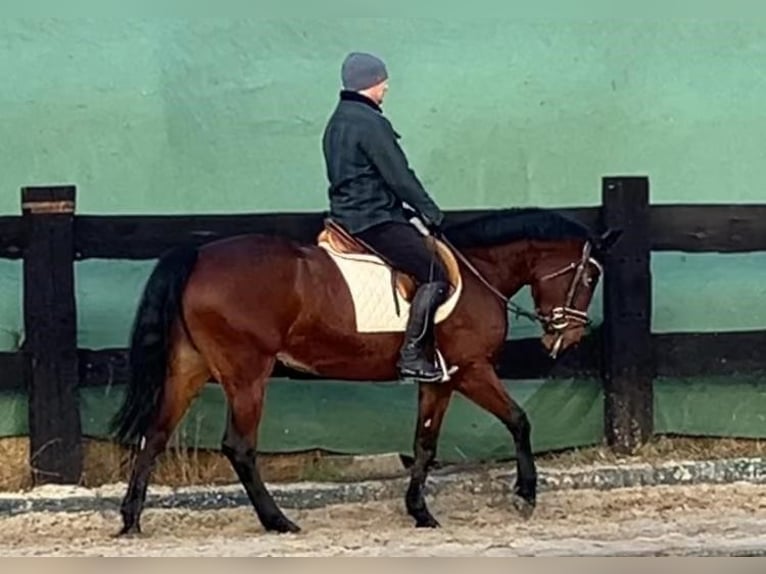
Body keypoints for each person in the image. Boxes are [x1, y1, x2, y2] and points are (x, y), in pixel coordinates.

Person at [321, 51, 450, 383]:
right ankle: (411, 356)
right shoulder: (371, 123)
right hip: (373, 220)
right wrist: (430, 212)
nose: (386, 86)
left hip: (347, 216)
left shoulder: (337, 121)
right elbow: (398, 176)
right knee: (435, 273)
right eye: (382, 81)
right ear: (369, 83)